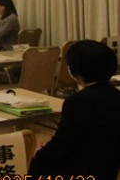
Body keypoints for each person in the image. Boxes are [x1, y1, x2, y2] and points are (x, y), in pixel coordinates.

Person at [29, 40, 120, 180]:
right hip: (109, 169)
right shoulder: (116, 95)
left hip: (80, 170)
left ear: (73, 71)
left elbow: (63, 144)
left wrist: (38, 153)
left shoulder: (77, 102)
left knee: (35, 161)